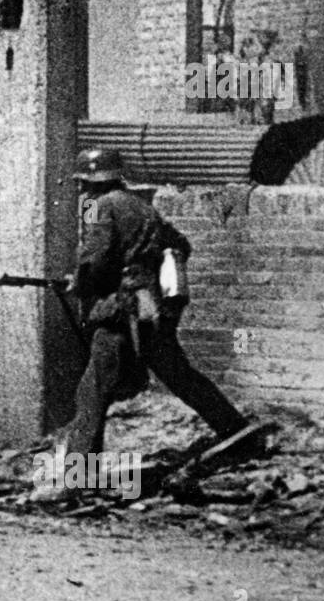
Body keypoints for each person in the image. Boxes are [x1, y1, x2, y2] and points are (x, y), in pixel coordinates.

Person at [55, 149, 266, 474]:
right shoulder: (142, 206)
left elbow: (93, 261)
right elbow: (181, 244)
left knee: (93, 389)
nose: (81, 190)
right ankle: (237, 431)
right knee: (177, 374)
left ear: (93, 182)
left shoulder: (100, 208)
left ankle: (77, 476)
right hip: (152, 307)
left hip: (122, 310)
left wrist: (79, 283)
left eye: (83, 183)